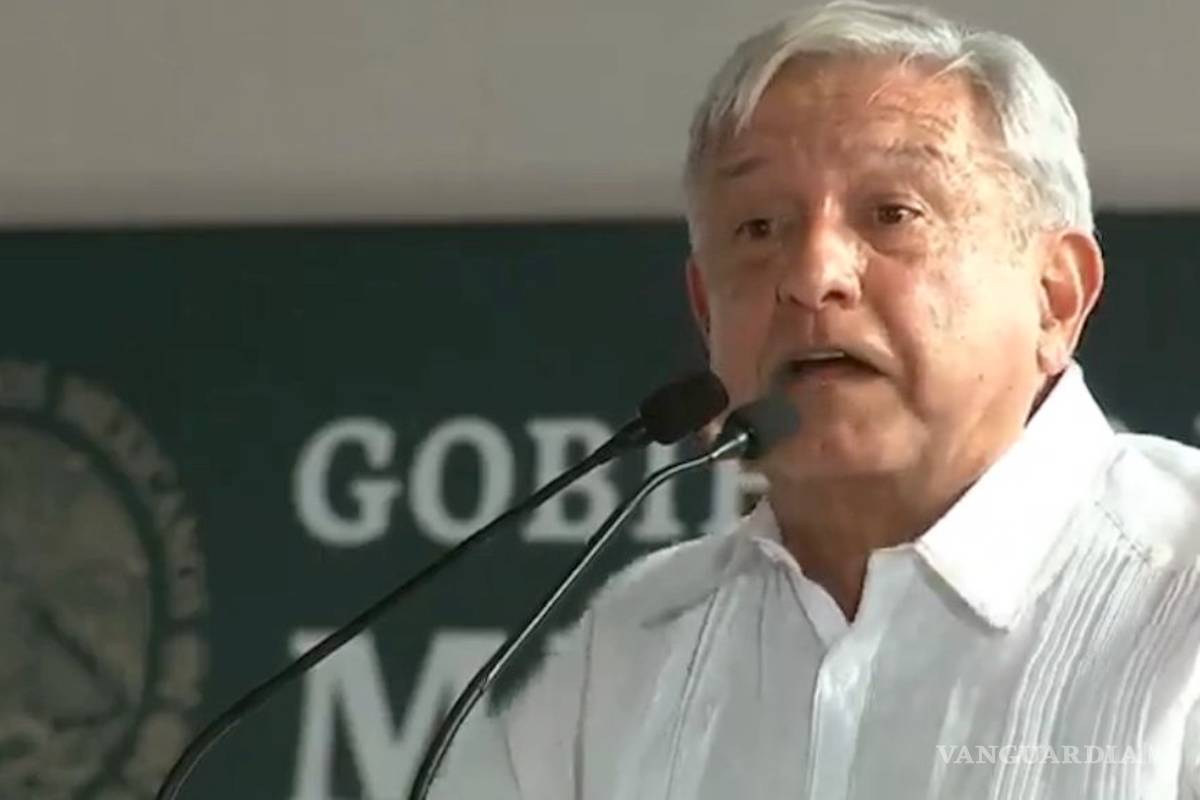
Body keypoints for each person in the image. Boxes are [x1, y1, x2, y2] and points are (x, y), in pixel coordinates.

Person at [435, 1, 1200, 797]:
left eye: (893, 214)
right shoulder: (624, 652)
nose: (812, 276)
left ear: (1055, 296)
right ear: (706, 313)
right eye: (759, 228)